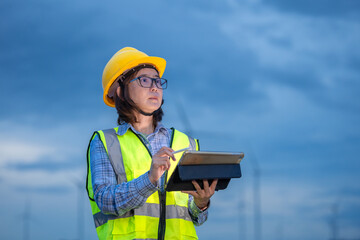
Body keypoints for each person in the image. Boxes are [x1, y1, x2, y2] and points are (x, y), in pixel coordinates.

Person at [86, 47, 218, 240]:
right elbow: (106, 201)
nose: (155, 87)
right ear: (120, 91)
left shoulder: (186, 143)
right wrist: (149, 180)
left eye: (157, 81)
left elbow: (196, 218)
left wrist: (201, 203)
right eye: (145, 80)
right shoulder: (105, 142)